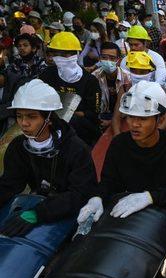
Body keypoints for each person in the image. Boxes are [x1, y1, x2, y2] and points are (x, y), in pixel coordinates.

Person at [77, 80, 166, 278]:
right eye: (131, 117)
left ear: (159, 119)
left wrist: (151, 197)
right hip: (132, 206)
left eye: (143, 118)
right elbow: (109, 182)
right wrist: (97, 198)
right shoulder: (119, 145)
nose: (134, 124)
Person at [0, 79, 96, 237]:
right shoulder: (18, 146)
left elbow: (80, 194)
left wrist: (39, 213)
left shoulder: (76, 149)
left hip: (72, 212)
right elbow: (9, 185)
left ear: (49, 118)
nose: (24, 123)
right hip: (39, 203)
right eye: (19, 116)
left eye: (31, 117)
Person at [40, 32, 102, 147]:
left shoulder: (90, 81)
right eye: (56, 54)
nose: (60, 58)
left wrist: (69, 114)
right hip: (50, 124)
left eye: (65, 54)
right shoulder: (47, 74)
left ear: (76, 54)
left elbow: (94, 112)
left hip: (81, 129)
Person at [0, 33, 47, 108]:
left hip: (37, 104)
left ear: (33, 48)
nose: (21, 48)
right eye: (19, 46)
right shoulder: (14, 64)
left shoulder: (42, 64)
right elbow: (4, 77)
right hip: (14, 103)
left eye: (25, 45)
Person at [92, 42, 128, 130]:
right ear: (100, 58)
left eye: (112, 58)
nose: (108, 61)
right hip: (101, 115)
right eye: (104, 57)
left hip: (123, 115)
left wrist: (111, 122)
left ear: (118, 60)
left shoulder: (127, 78)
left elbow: (129, 105)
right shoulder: (94, 77)